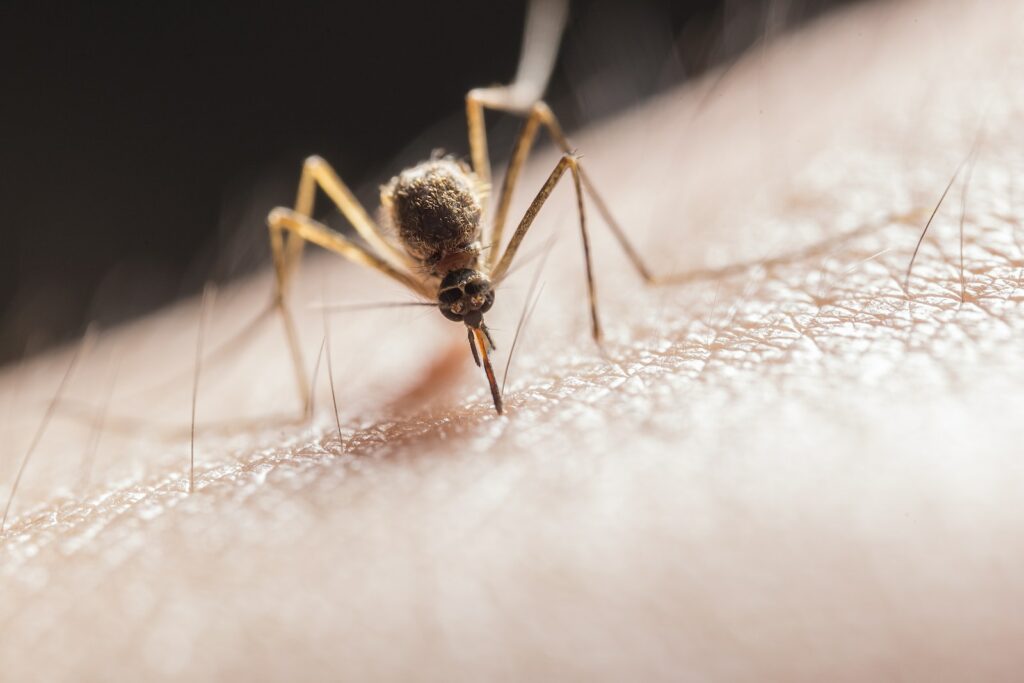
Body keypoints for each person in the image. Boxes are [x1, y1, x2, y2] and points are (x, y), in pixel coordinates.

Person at [2, 0, 1022, 679]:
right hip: (424, 218)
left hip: (457, 210)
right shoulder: (421, 262)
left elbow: (564, 164)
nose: (474, 319)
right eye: (465, 304)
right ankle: (281, 393)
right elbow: (305, 216)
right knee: (298, 204)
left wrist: (616, 306)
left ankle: (660, 278)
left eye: (471, 302)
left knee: (550, 156)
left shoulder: (482, 238)